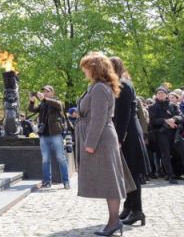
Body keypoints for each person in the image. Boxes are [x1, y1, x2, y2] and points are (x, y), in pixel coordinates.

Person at [76, 52, 135, 237]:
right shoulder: (98, 87)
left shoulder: (100, 88)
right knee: (110, 181)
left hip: (100, 139)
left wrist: (90, 143)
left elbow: (99, 118)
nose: (84, 71)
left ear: (94, 69)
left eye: (86, 68)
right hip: (101, 138)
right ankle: (113, 221)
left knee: (110, 182)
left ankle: (114, 222)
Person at [109, 57, 149, 227]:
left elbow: (124, 113)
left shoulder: (123, 84)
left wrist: (119, 137)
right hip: (129, 131)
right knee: (127, 173)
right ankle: (129, 206)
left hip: (129, 133)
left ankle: (137, 210)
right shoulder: (123, 82)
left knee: (132, 174)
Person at [28, 85, 71, 189]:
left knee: (60, 158)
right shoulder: (43, 103)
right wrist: (32, 101)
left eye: (47, 91)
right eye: (44, 91)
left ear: (53, 93)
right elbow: (32, 110)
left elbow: (58, 105)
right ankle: (47, 182)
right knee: (45, 159)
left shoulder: (57, 101)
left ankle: (66, 181)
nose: (45, 93)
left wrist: (45, 99)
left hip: (56, 133)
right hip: (44, 135)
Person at [148, 86, 184, 183]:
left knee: (181, 151)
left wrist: (174, 119)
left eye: (162, 93)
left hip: (175, 133)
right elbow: (153, 121)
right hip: (162, 134)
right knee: (166, 155)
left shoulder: (173, 105)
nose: (160, 95)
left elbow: (181, 117)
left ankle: (178, 173)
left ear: (166, 94)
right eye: (159, 93)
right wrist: (166, 121)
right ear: (156, 95)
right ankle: (170, 175)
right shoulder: (152, 107)